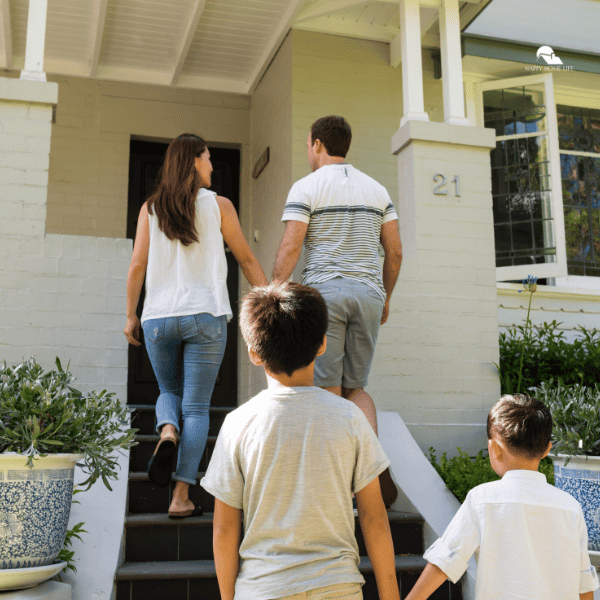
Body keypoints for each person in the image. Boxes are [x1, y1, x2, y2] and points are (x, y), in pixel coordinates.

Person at [201, 282, 400, 600]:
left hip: (262, 589)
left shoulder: (237, 425)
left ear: (254, 353)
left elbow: (224, 528)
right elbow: (375, 519)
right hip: (337, 588)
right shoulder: (350, 419)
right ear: (322, 344)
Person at [124, 133, 267, 518]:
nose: (211, 166)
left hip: (157, 317)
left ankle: (167, 429)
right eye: (207, 159)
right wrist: (270, 299)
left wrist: (130, 314)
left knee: (167, 389)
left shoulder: (150, 209)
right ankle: (180, 496)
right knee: (198, 407)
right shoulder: (219, 206)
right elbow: (246, 259)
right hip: (205, 315)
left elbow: (137, 264)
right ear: (193, 162)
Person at [272, 115, 403, 507]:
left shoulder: (307, 186)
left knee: (327, 391)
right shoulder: (377, 189)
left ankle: (339, 482)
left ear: (316, 144)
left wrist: (274, 293)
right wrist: (386, 296)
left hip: (324, 296)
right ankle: (373, 467)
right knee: (356, 388)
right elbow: (394, 251)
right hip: (368, 295)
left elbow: (291, 247)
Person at [405, 394, 599, 600]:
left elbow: (445, 560)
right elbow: (583, 582)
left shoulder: (482, 500)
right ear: (547, 450)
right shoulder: (570, 507)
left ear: (494, 448)